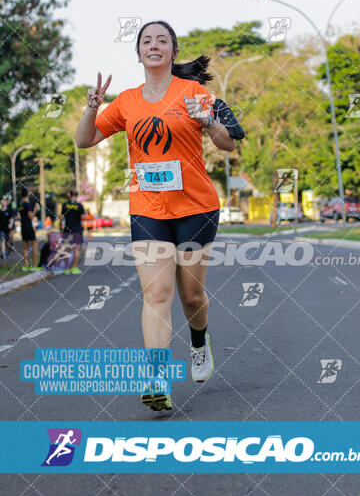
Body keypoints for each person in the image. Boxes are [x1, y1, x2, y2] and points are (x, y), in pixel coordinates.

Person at [75, 20, 242, 412]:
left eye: (161, 40)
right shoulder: (127, 101)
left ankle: (199, 342)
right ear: (138, 53)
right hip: (148, 209)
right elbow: (84, 140)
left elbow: (228, 143)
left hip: (195, 207)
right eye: (146, 41)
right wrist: (91, 108)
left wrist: (210, 121)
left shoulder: (194, 92)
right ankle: (157, 379)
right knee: (156, 292)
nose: (153, 45)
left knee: (191, 294)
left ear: (172, 51)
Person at [60, 190, 85, 274]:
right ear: (77, 196)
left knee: (66, 249)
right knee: (76, 249)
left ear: (69, 195)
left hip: (67, 229)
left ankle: (67, 268)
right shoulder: (79, 205)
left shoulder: (65, 205)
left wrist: (61, 227)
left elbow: (61, 218)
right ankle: (74, 268)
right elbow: (83, 217)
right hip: (77, 230)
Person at [18, 187, 39, 271]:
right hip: (29, 227)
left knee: (25, 247)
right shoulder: (27, 203)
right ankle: (34, 266)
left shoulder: (20, 203)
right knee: (35, 246)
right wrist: (35, 210)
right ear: (28, 193)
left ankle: (25, 265)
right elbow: (31, 216)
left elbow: (19, 216)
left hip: (23, 227)